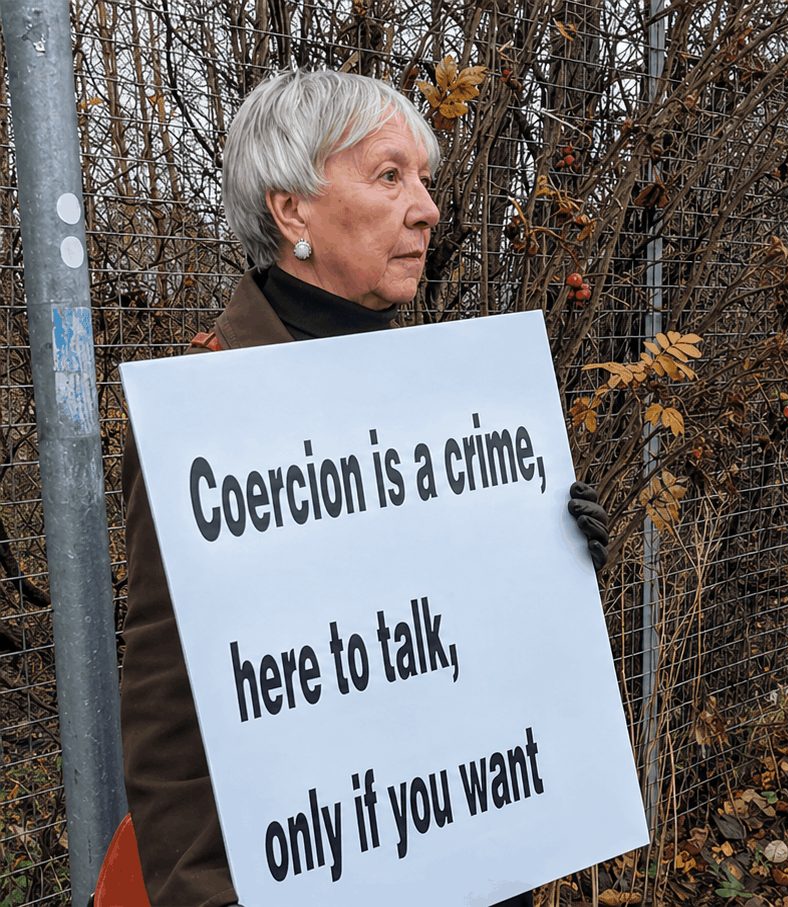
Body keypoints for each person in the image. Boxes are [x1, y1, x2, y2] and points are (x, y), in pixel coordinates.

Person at [118, 70, 609, 907]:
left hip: (463, 857)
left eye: (423, 179)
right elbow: (170, 711)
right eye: (390, 176)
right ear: (292, 211)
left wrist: (550, 561)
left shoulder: (449, 402)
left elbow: (453, 641)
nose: (426, 207)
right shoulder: (206, 415)